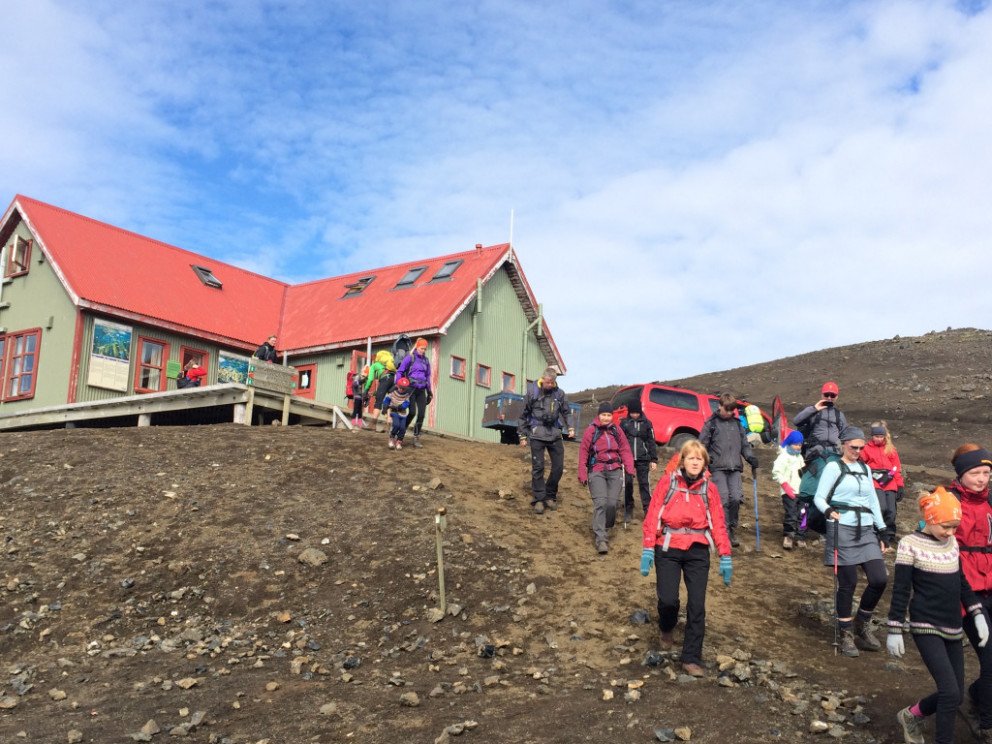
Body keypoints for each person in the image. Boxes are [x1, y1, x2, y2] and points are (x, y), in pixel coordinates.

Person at [887, 487, 990, 744]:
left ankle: (911, 715)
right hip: (925, 625)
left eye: (955, 527)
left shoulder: (952, 544)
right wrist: (894, 628)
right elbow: (901, 590)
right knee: (948, 692)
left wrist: (976, 613)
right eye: (946, 526)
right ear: (931, 520)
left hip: (953, 626)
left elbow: (962, 583)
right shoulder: (909, 545)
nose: (951, 533)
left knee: (954, 695)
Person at [640, 440, 733, 677]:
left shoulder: (709, 488)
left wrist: (725, 556)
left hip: (698, 550)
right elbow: (653, 515)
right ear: (682, 460)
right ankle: (667, 626)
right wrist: (648, 548)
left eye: (699, 458)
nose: (694, 462)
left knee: (697, 605)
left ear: (704, 463)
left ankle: (691, 657)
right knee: (668, 600)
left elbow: (719, 523)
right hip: (668, 547)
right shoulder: (668, 482)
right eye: (690, 457)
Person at [815, 426, 887, 658]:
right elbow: (819, 496)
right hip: (841, 526)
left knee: (879, 579)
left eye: (860, 448)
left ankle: (862, 623)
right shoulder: (833, 467)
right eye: (853, 447)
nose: (857, 451)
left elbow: (873, 500)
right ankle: (845, 631)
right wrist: (827, 511)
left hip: (865, 528)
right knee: (848, 582)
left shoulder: (865, 469)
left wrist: (883, 529)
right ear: (843, 445)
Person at [948, 444, 992, 740]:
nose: (981, 479)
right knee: (990, 659)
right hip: (965, 589)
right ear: (961, 474)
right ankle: (986, 722)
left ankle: (978, 692)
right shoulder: (947, 501)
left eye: (987, 473)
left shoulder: (991, 501)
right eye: (974, 473)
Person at [699, 392, 759, 548]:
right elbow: (701, 445)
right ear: (720, 406)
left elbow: (744, 445)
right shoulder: (711, 423)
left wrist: (750, 457)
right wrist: (705, 461)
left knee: (735, 499)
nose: (730, 412)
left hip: (735, 468)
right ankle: (723, 532)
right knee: (723, 499)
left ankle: (732, 528)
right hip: (717, 467)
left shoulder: (737, 424)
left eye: (732, 410)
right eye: (727, 409)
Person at [578, 403, 635, 554]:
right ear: (599, 415)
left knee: (612, 503)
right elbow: (583, 451)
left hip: (615, 469)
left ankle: (606, 526)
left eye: (608, 415)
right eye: (603, 415)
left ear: (612, 416)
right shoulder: (591, 430)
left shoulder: (617, 430)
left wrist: (629, 467)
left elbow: (625, 449)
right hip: (597, 470)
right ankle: (601, 539)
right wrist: (582, 473)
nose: (606, 418)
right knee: (601, 503)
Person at [518, 368, 575, 514]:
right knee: (538, 467)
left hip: (554, 433)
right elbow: (523, 414)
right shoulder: (532, 392)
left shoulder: (559, 394)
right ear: (542, 379)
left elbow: (566, 412)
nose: (549, 385)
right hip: (537, 433)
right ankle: (539, 499)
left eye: (552, 382)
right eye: (547, 382)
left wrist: (571, 427)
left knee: (558, 467)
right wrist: (522, 436)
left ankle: (550, 495)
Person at [860, 421, 905, 549]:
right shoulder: (866, 449)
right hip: (874, 481)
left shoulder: (890, 449)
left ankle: (889, 535)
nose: (879, 439)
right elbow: (862, 465)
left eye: (881, 436)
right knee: (881, 508)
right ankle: (877, 533)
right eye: (876, 436)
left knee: (891, 510)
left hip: (890, 481)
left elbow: (896, 467)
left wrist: (900, 485)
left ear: (885, 436)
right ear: (872, 436)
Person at [620, 399, 658, 525]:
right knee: (628, 483)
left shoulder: (647, 423)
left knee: (644, 485)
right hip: (628, 458)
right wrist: (620, 456)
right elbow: (620, 441)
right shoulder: (624, 424)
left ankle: (648, 511)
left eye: (637, 413)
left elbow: (651, 442)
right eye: (632, 413)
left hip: (643, 458)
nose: (635, 415)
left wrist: (653, 459)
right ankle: (628, 509)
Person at [794, 381, 848, 461]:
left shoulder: (839, 415)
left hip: (834, 453)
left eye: (832, 395)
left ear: (836, 397)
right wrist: (814, 409)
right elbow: (796, 421)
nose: (829, 398)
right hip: (815, 452)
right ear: (822, 395)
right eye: (826, 395)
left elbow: (845, 434)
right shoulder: (812, 410)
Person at [396, 338, 433, 448]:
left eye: (425, 349)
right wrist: (399, 385)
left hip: (421, 390)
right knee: (412, 412)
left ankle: (416, 437)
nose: (423, 350)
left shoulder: (426, 361)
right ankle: (400, 436)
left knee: (421, 414)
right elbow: (400, 371)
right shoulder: (410, 358)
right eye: (422, 348)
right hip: (411, 389)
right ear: (417, 347)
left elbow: (428, 377)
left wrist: (429, 391)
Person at [772, 430, 806, 550]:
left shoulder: (800, 457)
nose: (798, 447)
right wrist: (785, 485)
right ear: (790, 443)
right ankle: (789, 536)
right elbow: (777, 472)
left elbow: (803, 472)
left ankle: (800, 535)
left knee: (803, 513)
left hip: (801, 491)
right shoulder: (783, 457)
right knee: (791, 514)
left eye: (800, 444)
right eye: (796, 444)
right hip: (789, 491)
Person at [382, 377, 413, 450]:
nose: (402, 390)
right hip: (394, 412)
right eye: (401, 388)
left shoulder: (407, 395)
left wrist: (402, 406)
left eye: (404, 388)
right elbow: (386, 400)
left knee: (403, 428)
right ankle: (392, 438)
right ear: (398, 386)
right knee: (396, 425)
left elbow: (407, 403)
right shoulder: (392, 393)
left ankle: (399, 441)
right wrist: (385, 407)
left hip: (403, 414)